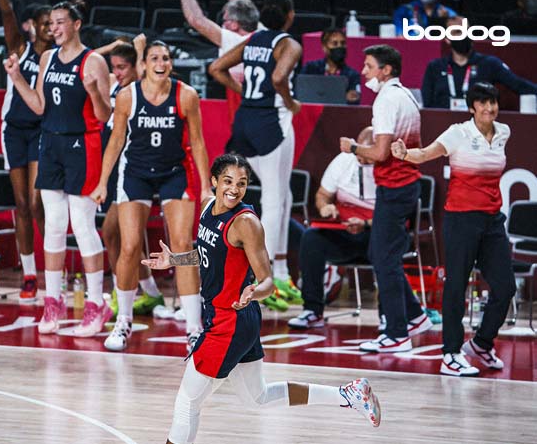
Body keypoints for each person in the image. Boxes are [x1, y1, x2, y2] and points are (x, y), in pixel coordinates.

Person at [141, 154, 381, 444]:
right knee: (258, 397)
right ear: (215, 181)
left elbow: (267, 279)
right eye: (228, 181)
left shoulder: (246, 223)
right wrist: (175, 260)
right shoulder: (208, 208)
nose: (234, 189)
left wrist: (255, 291)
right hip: (234, 320)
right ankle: (347, 395)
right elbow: (208, 253)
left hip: (229, 323)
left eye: (241, 184)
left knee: (187, 403)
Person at [92, 41, 212, 352]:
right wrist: (103, 182)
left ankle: (194, 328)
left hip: (175, 171)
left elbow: (198, 143)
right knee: (130, 246)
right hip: (136, 173)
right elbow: (116, 141)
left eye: (166, 58)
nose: (161, 63)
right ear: (144, 63)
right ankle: (124, 322)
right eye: (155, 58)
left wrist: (206, 186)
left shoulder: (186, 95)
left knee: (183, 246)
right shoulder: (127, 96)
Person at [390, 82, 516, 377]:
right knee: (456, 286)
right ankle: (450, 354)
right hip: (461, 220)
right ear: (472, 107)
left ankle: (482, 344)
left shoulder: (504, 133)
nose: (489, 108)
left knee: (505, 286)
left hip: (492, 221)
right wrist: (405, 154)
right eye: (483, 103)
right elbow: (426, 154)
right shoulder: (458, 133)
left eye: (493, 102)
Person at [5, 0, 112, 337]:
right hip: (49, 143)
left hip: (83, 145)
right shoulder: (47, 59)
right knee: (52, 225)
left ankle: (96, 303)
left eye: (61, 22)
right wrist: (17, 77)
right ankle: (53, 302)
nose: (54, 29)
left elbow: (105, 115)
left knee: (81, 225)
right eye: (51, 23)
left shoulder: (93, 61)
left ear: (77, 24)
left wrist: (94, 92)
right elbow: (38, 105)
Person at [209, 0, 303, 311]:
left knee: (279, 194)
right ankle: (270, 278)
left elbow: (217, 68)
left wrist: (246, 92)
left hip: (244, 119)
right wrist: (290, 102)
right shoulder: (289, 44)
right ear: (289, 16)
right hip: (270, 121)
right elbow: (278, 77)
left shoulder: (253, 39)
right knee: (275, 198)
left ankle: (272, 267)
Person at [339, 45, 432, 352]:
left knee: (383, 259)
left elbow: (378, 153)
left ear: (386, 70)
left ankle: (397, 334)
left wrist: (352, 148)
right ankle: (416, 317)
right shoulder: (406, 96)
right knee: (383, 256)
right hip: (405, 187)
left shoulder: (386, 100)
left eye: (369, 66)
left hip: (395, 189)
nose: (363, 71)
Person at [94, 39, 167, 317]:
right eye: (114, 68)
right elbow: (87, 61)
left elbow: (140, 66)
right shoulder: (114, 85)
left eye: (123, 67)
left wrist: (140, 48)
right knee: (122, 236)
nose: (118, 73)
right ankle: (148, 291)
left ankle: (124, 291)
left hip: (131, 169)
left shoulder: (141, 90)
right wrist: (111, 46)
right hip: (111, 171)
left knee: (115, 232)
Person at [0, 0, 53, 299]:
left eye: (52, 24)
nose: (48, 28)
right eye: (44, 23)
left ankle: (52, 271)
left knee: (35, 203)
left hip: (42, 130)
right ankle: (29, 275)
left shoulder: (56, 57)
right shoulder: (20, 47)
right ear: (33, 27)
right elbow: (6, 12)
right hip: (14, 130)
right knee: (21, 205)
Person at [288, 127, 376, 328]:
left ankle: (390, 316)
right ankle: (312, 311)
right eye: (358, 152)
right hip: (344, 233)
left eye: (366, 153)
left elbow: (396, 215)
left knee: (386, 238)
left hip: (374, 234)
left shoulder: (388, 167)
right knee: (311, 238)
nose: (361, 158)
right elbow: (322, 195)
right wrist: (325, 207)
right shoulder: (343, 161)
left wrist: (365, 224)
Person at [421, 16, 537, 110]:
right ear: (447, 39)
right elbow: (426, 103)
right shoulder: (435, 67)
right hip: (442, 126)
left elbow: (519, 85)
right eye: (457, 32)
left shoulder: (489, 64)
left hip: (479, 127)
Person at [179, 0, 260, 125]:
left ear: (234, 25)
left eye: (225, 21)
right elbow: (241, 2)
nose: (222, 25)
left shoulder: (235, 40)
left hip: (245, 110)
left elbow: (195, 19)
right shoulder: (263, 33)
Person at [299, 27, 360, 104]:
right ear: (324, 47)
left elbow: (355, 100)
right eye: (335, 44)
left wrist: (353, 97)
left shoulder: (353, 75)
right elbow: (301, 93)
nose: (339, 47)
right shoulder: (310, 68)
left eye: (343, 43)